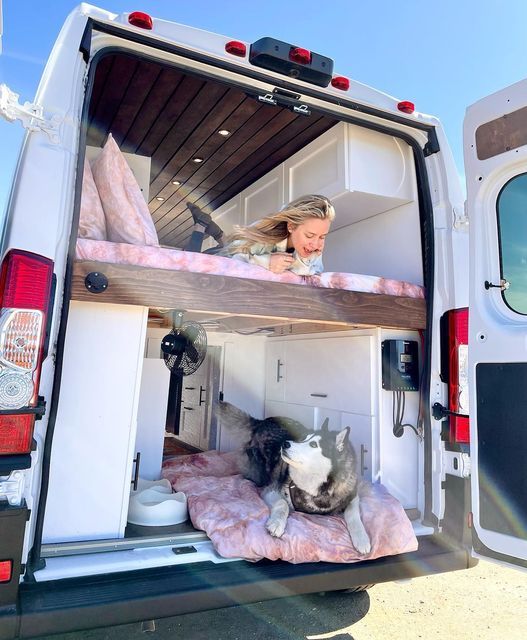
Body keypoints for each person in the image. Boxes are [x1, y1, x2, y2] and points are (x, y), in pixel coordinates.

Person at [185, 194, 334, 275]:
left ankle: (212, 228)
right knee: (190, 265)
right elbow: (229, 260)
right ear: (291, 226)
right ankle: (201, 226)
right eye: (309, 236)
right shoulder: (265, 237)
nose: (315, 244)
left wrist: (308, 257)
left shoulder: (313, 247)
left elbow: (312, 274)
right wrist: (265, 262)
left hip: (234, 248)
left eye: (322, 237)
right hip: (223, 255)